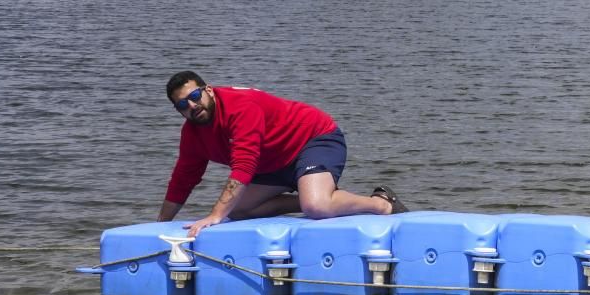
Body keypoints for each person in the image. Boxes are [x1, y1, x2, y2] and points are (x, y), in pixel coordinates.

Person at [157, 71, 409, 238]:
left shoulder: (240, 107)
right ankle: (314, 195)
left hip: (312, 139)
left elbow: (244, 165)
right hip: (273, 163)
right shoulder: (192, 134)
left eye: (194, 96)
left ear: (208, 90)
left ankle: (382, 203)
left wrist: (214, 216)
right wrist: (160, 226)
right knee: (239, 210)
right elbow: (182, 180)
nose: (192, 106)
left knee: (317, 206)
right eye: (182, 104)